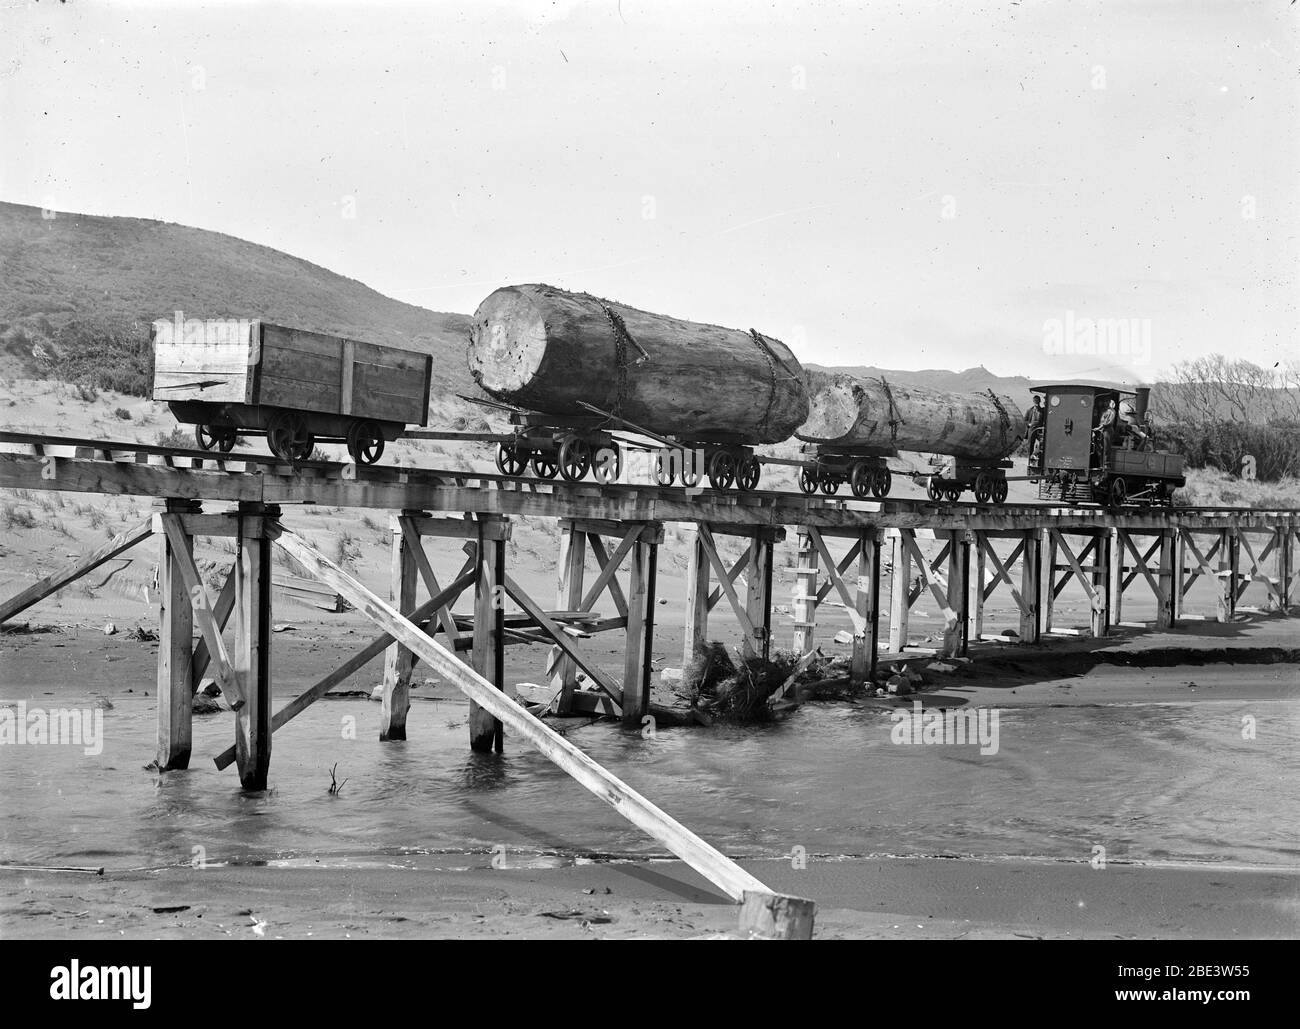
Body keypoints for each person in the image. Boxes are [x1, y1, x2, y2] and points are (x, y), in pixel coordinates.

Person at [1025, 395, 1044, 465]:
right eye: (1035, 400)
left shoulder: (1042, 410)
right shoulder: (1029, 410)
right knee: (1030, 444)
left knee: (1042, 443)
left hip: (1040, 430)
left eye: (1038, 401)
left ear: (1039, 401)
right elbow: (1025, 420)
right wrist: (1029, 424)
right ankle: (1030, 459)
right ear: (1033, 401)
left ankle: (1038, 457)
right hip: (1032, 429)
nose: (1036, 402)